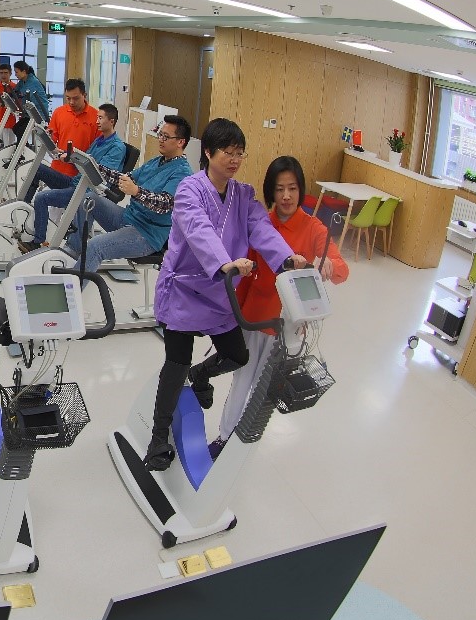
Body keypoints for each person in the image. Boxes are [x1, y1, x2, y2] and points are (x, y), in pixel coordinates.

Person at [144, 118, 308, 472]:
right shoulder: (189, 189)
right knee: (175, 365)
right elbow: (198, 229)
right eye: (227, 152)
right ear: (208, 152)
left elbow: (261, 228)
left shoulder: (244, 195)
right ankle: (157, 438)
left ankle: (202, 375)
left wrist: (285, 257)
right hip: (185, 288)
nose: (234, 160)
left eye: (239, 153)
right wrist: (224, 263)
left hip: (220, 291)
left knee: (237, 355)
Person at [216, 155, 350, 456]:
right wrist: (232, 315)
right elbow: (245, 276)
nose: (286, 196)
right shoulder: (261, 224)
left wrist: (329, 263)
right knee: (242, 381)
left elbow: (341, 270)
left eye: (292, 188)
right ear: (270, 192)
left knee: (263, 390)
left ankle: (244, 443)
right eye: (279, 189)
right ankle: (224, 439)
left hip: (287, 328)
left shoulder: (314, 228)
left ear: (301, 189)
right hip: (254, 319)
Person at [68, 115, 194, 275]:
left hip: (146, 234)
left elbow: (164, 204)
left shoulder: (183, 173)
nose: (160, 139)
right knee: (89, 199)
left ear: (180, 142)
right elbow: (125, 178)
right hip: (128, 217)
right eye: (160, 134)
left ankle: (73, 288)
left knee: (95, 246)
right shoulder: (157, 161)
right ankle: (73, 251)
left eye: (166, 137)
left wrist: (136, 191)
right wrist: (92, 165)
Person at [19, 79, 98, 204]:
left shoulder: (95, 117)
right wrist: (47, 138)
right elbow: (52, 139)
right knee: (35, 170)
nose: (71, 102)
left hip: (78, 176)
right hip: (58, 170)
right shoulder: (59, 112)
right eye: (68, 98)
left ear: (85, 95)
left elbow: (97, 150)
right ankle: (23, 205)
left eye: (76, 98)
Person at [10, 61, 48, 141]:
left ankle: (22, 148)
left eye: (17, 72)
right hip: (29, 113)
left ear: (24, 72)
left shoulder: (33, 81)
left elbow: (22, 93)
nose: (15, 74)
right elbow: (15, 91)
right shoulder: (23, 81)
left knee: (21, 131)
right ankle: (24, 146)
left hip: (38, 114)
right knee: (15, 128)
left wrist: (16, 94)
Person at [87, 103, 126, 171]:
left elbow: (102, 173)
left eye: (100, 118)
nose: (97, 122)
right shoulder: (98, 140)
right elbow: (86, 159)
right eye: (97, 118)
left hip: (93, 177)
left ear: (111, 122)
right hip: (82, 176)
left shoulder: (117, 147)